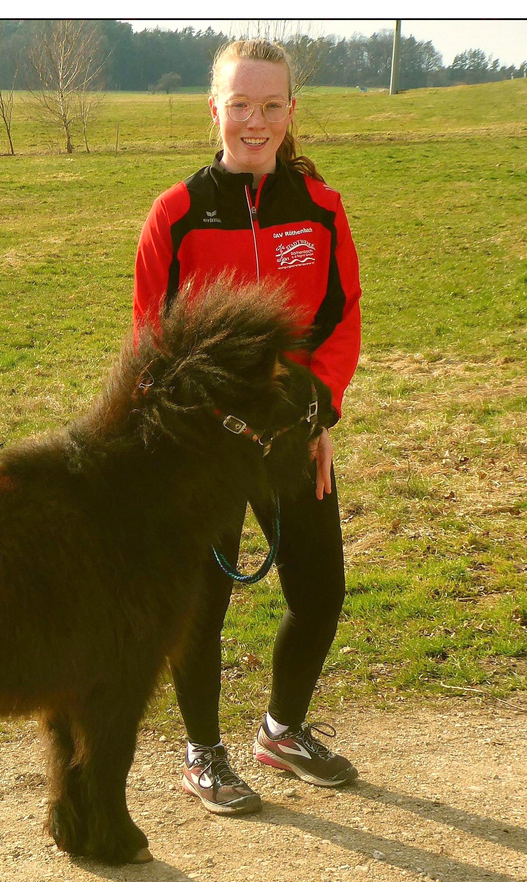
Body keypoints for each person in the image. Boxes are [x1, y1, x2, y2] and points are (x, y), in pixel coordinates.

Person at [132, 38, 362, 814]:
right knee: (200, 602)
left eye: (270, 105)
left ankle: (281, 730)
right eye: (240, 104)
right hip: (201, 449)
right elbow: (149, 341)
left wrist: (317, 408)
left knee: (320, 592)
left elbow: (341, 318)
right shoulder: (175, 214)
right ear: (215, 111)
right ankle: (202, 754)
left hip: (291, 436)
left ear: (291, 112)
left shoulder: (321, 208)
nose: (254, 120)